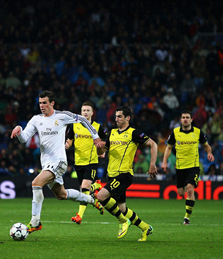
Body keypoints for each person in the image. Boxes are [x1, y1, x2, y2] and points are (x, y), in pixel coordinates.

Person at [10, 90, 104, 233]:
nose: (42, 106)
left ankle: (35, 222)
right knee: (62, 195)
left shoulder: (62, 116)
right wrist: (19, 130)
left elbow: (84, 120)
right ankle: (91, 199)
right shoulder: (36, 119)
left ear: (52, 103)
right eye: (40, 103)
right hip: (46, 164)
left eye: (45, 103)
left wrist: (95, 136)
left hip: (59, 162)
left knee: (36, 183)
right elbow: (24, 139)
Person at [97, 106, 158, 241]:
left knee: (101, 196)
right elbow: (101, 153)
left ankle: (122, 221)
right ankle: (145, 227)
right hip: (112, 175)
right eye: (116, 116)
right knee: (122, 208)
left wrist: (152, 164)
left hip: (124, 175)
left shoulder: (133, 133)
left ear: (127, 118)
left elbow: (153, 144)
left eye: (119, 116)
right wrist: (100, 148)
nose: (116, 119)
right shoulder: (111, 133)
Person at [161, 110, 214, 225]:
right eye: (183, 117)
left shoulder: (198, 132)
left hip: (193, 166)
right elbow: (169, 148)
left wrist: (209, 153)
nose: (185, 119)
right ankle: (188, 196)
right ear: (181, 120)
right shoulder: (175, 133)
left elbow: (206, 145)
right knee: (181, 193)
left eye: (187, 117)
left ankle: (187, 218)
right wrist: (164, 162)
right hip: (180, 167)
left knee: (190, 189)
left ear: (191, 119)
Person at [65, 101, 107, 224]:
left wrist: (102, 150)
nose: (86, 112)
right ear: (81, 112)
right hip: (78, 162)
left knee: (84, 188)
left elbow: (105, 140)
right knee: (86, 191)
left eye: (88, 110)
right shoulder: (74, 125)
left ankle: (79, 216)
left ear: (92, 113)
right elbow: (70, 139)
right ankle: (97, 196)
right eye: (84, 110)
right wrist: (68, 144)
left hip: (91, 162)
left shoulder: (98, 127)